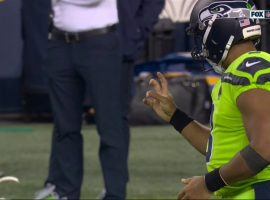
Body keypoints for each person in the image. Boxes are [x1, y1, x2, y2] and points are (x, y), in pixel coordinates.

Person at [34, 0, 164, 199]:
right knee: (64, 124)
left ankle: (114, 193)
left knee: (110, 124)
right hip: (60, 42)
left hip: (101, 42)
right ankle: (65, 191)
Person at [144, 0, 270, 199]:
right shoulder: (241, 70)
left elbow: (264, 147)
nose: (201, 43)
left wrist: (208, 183)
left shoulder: (251, 71)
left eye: (201, 34)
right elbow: (221, 146)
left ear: (218, 31)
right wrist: (176, 117)